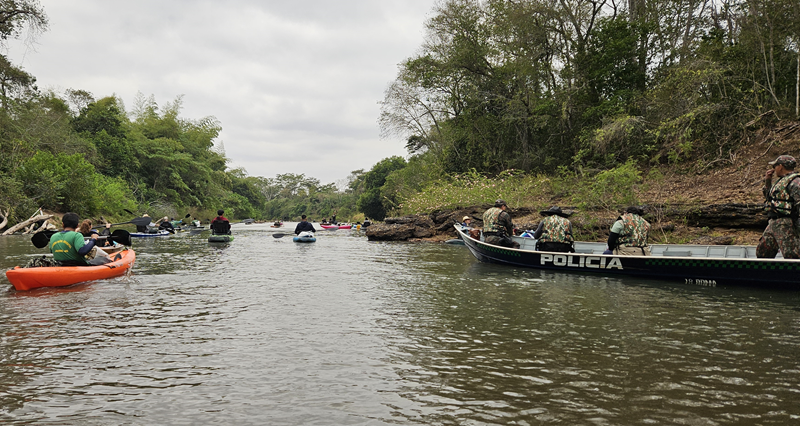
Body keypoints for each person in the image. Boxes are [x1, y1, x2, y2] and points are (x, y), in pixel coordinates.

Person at [757, 155, 800, 258]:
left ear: (780, 166)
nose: (774, 169)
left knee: (792, 254)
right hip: (773, 222)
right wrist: (768, 180)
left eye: (775, 166)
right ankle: (765, 273)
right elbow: (770, 198)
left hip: (786, 223)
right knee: (763, 252)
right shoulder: (781, 181)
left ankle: (793, 273)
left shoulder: (795, 181)